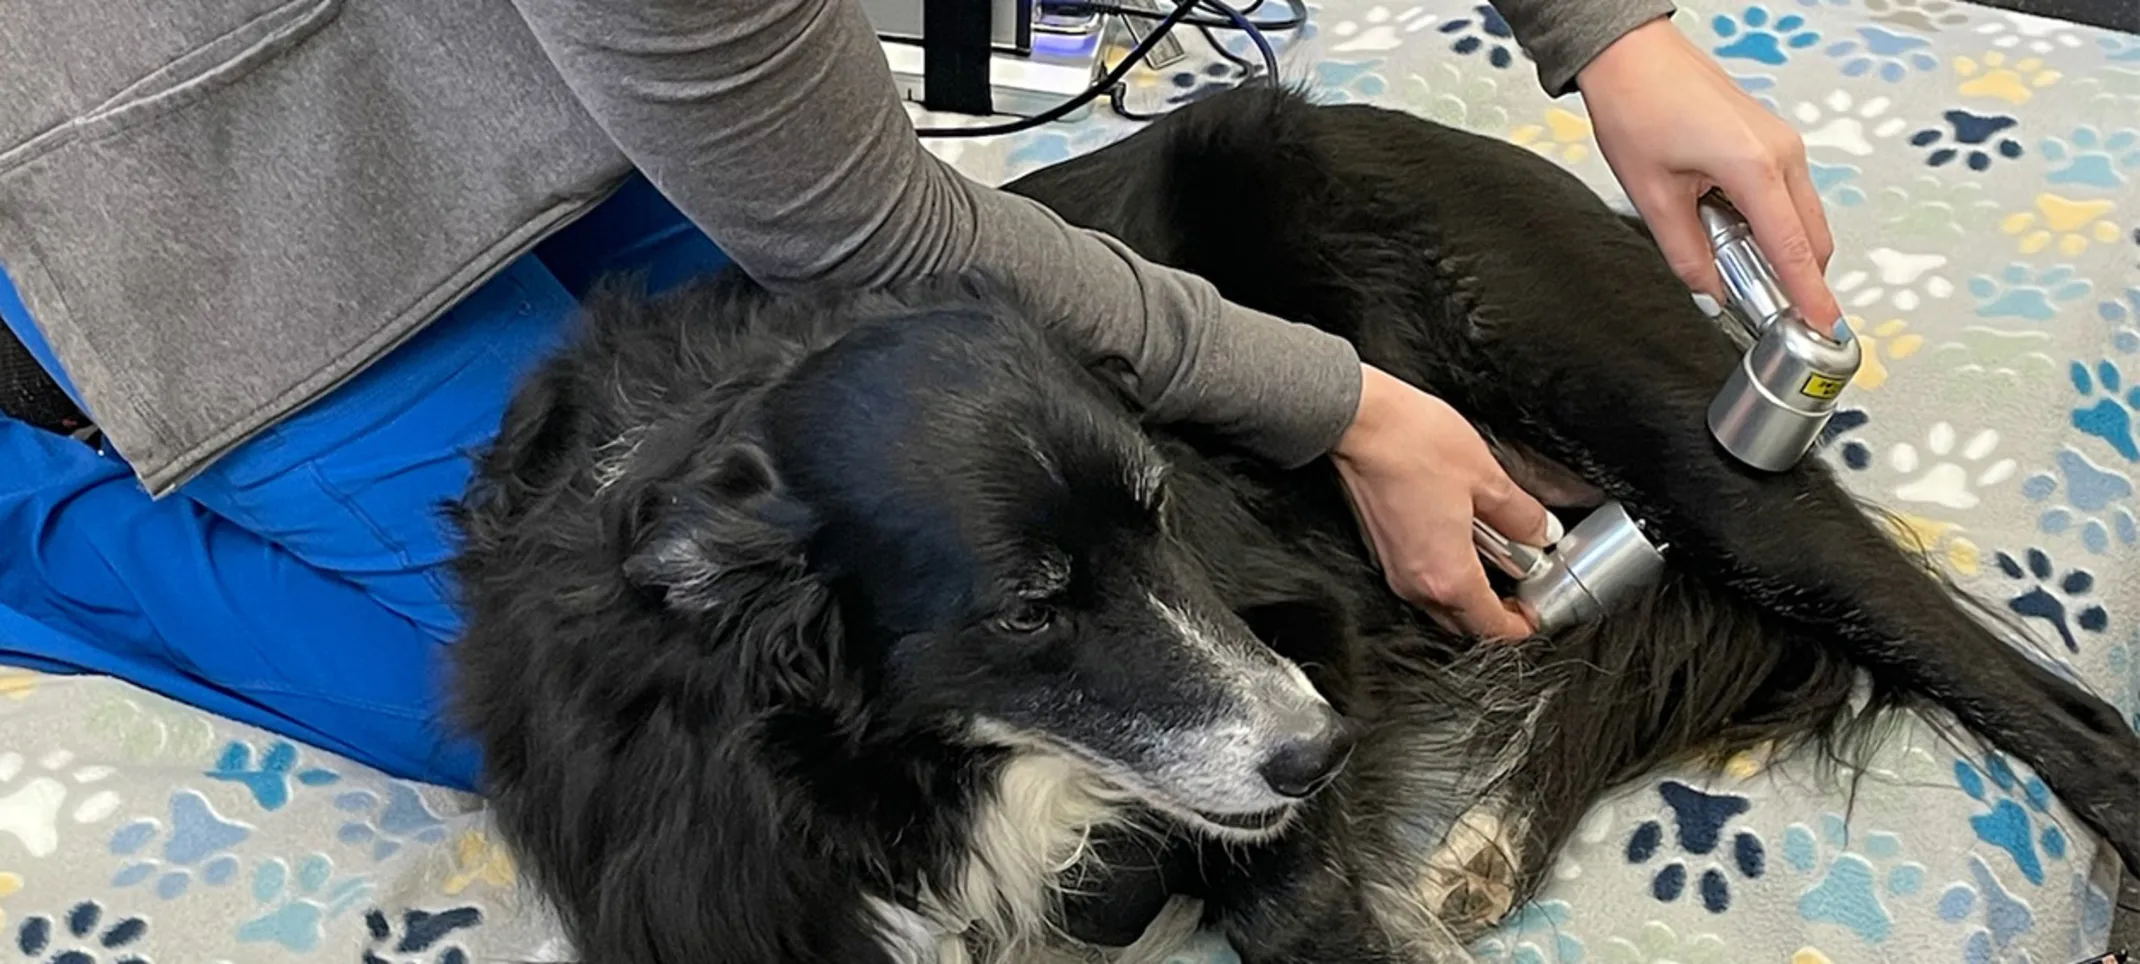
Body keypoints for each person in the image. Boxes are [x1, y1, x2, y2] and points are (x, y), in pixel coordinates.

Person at [0, 0, 1838, 791]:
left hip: (516, 61)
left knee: (836, 422)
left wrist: (1615, 38)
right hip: (159, 139)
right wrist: (1344, 404)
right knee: (538, 696)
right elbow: (853, 219)